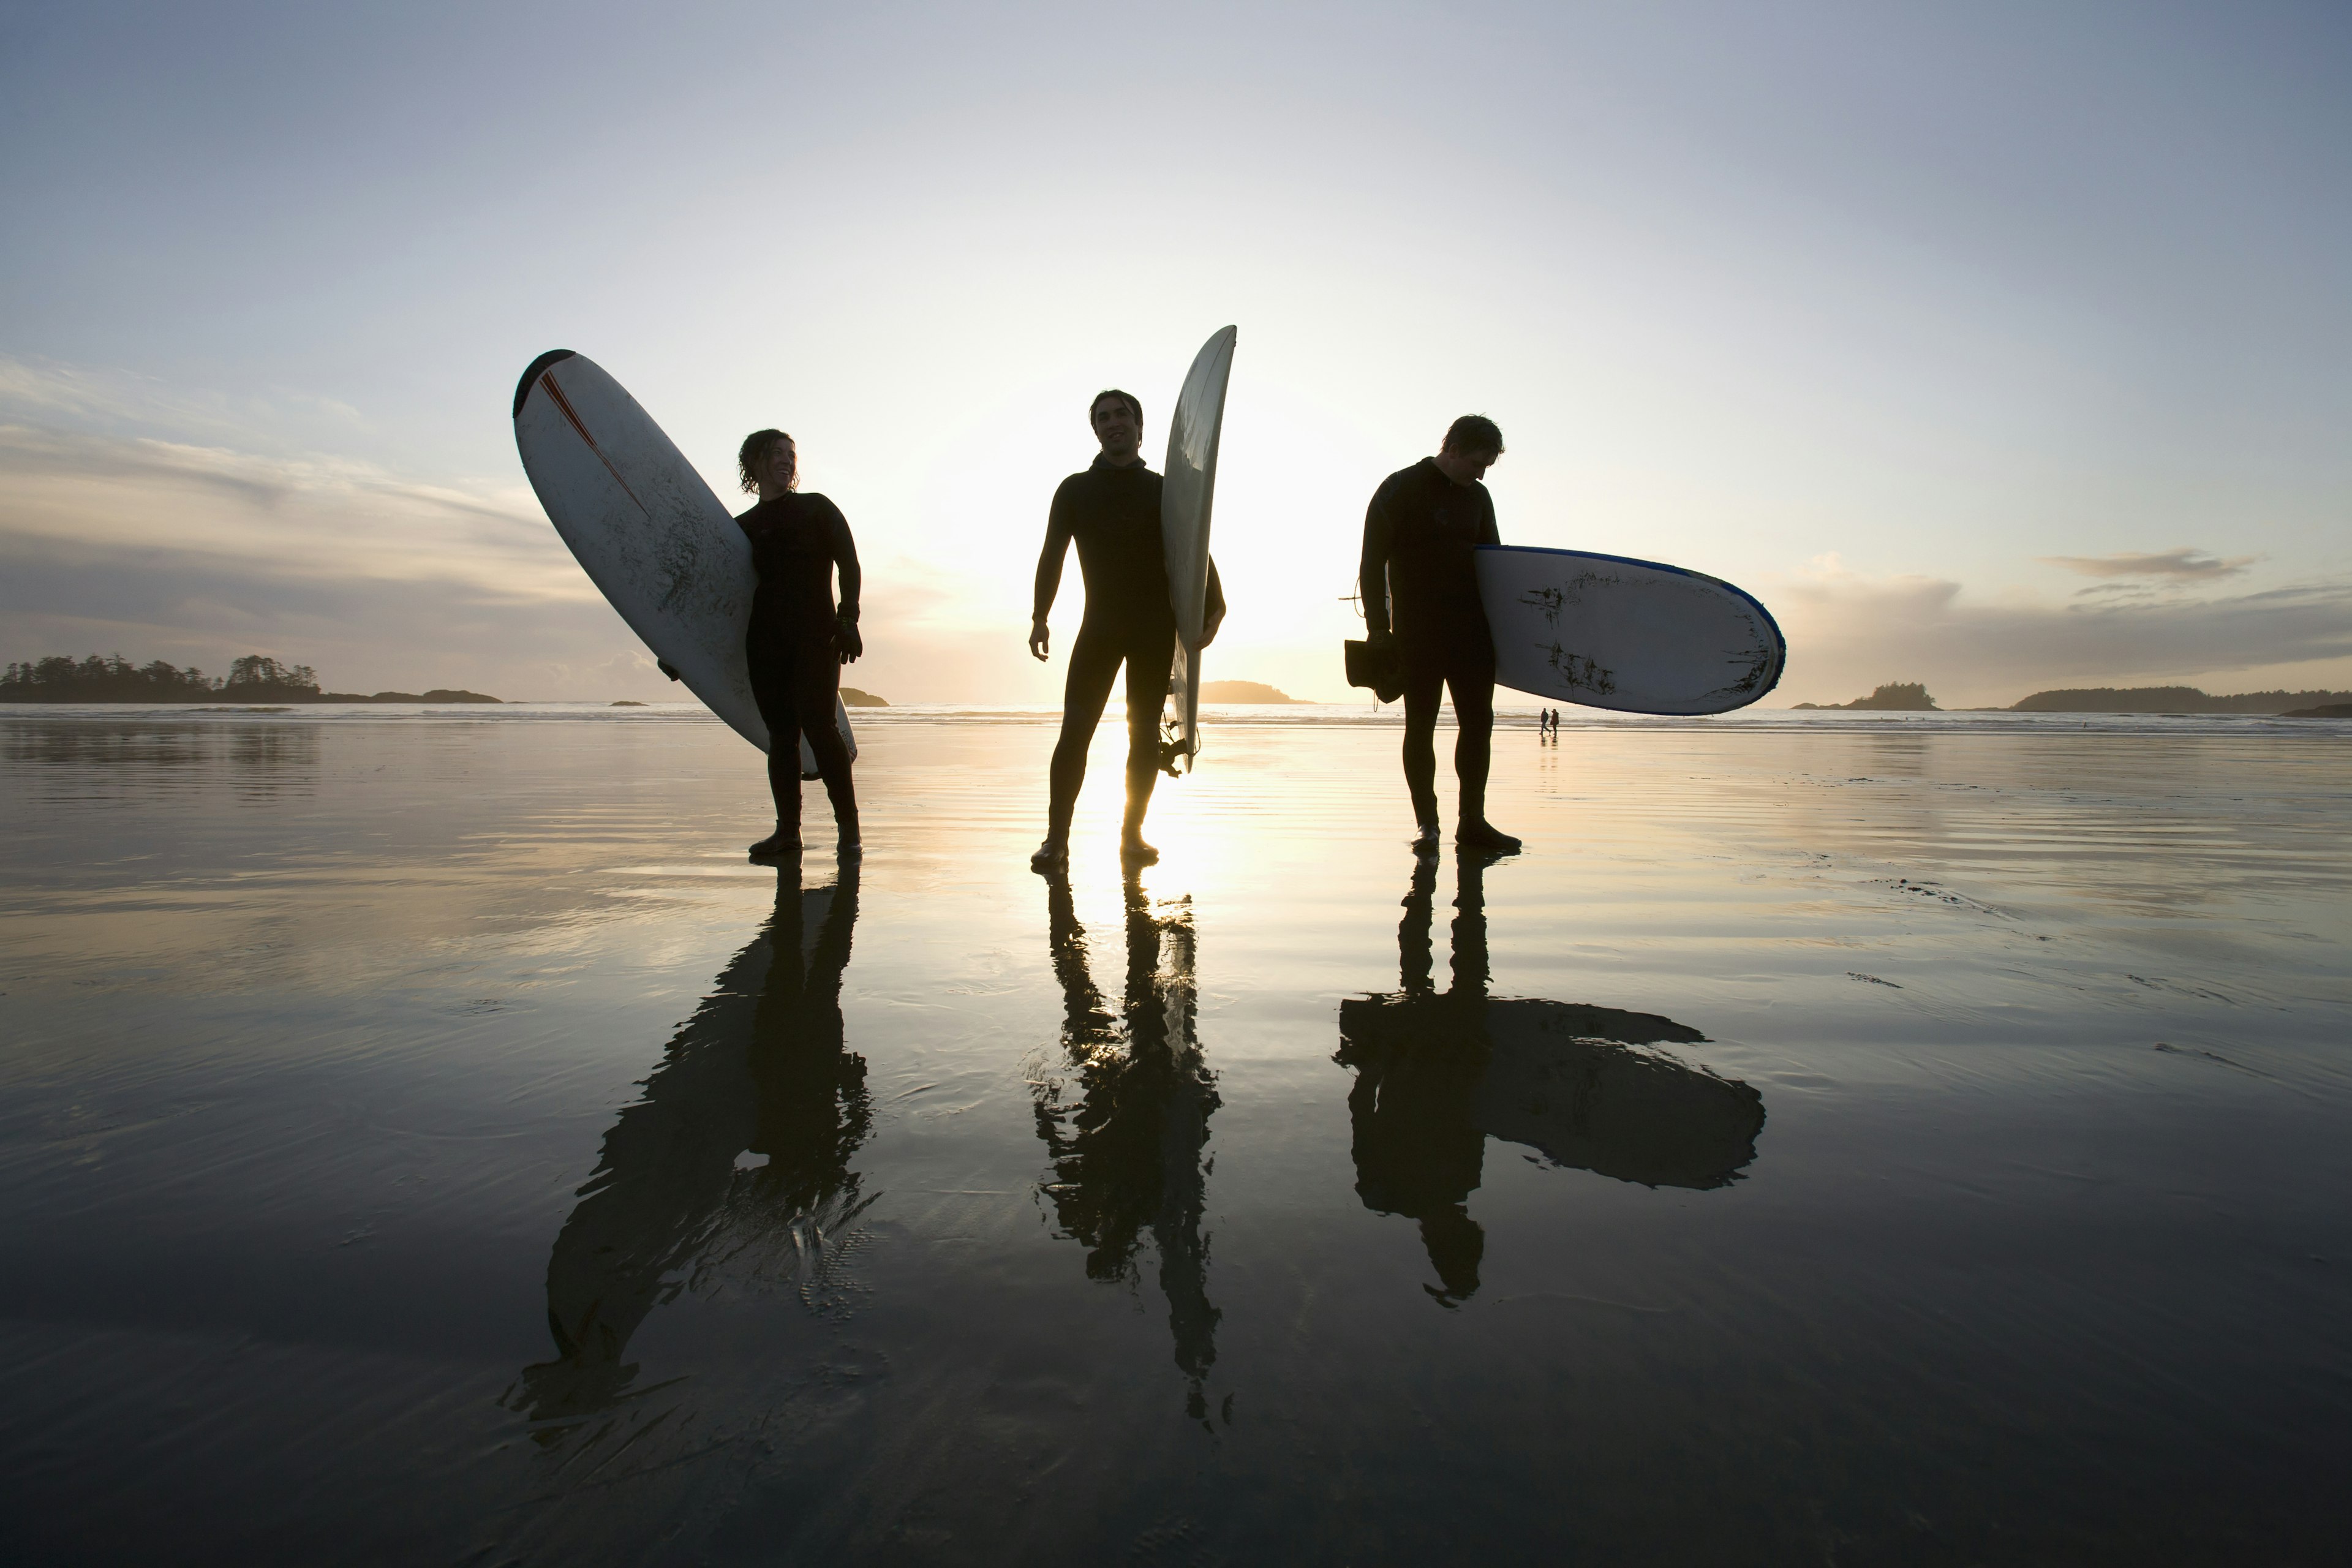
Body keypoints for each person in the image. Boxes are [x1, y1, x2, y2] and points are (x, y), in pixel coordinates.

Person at [1028, 389, 1225, 870]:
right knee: (1075, 732)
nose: (1113, 422)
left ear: (1140, 427)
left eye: (1122, 415)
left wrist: (1215, 610)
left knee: (1143, 739)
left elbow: (1197, 553)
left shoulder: (1164, 491)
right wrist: (1040, 616)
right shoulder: (1074, 490)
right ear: (1095, 430)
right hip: (1100, 627)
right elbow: (1052, 555)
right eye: (1103, 418)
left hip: (1153, 630)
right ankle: (1057, 840)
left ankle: (1132, 836)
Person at [1359, 415, 1521, 856]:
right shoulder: (1401, 488)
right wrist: (1378, 629)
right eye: (1476, 462)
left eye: (1488, 465)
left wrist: (1511, 632)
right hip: (1418, 631)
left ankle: (1472, 822)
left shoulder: (1480, 498)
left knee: (1478, 724)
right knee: (1421, 725)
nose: (1482, 473)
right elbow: (1371, 564)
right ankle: (1427, 826)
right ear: (1451, 448)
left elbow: (1494, 565)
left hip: (1472, 630)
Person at [736, 429, 861, 859]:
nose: (787, 461)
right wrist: (675, 650)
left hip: (816, 635)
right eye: (777, 454)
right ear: (754, 462)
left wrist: (849, 618)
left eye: (792, 454)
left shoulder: (816, 509)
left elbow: (848, 560)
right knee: (781, 736)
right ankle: (788, 833)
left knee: (820, 725)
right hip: (766, 641)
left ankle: (850, 835)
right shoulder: (743, 528)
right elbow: (715, 593)